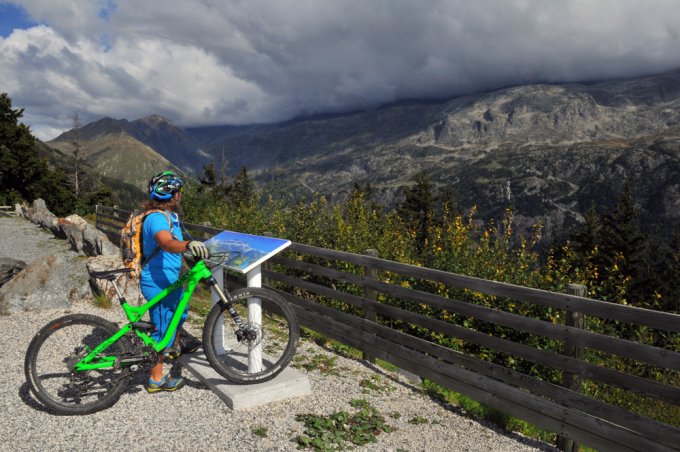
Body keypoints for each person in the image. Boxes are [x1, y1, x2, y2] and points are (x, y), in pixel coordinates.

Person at [141, 170, 210, 393]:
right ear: (174, 195)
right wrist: (188, 245)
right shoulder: (157, 218)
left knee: (180, 314)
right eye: (179, 191)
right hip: (158, 281)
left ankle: (174, 347)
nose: (180, 195)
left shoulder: (170, 216)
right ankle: (155, 380)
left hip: (171, 279)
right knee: (162, 331)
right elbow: (166, 242)